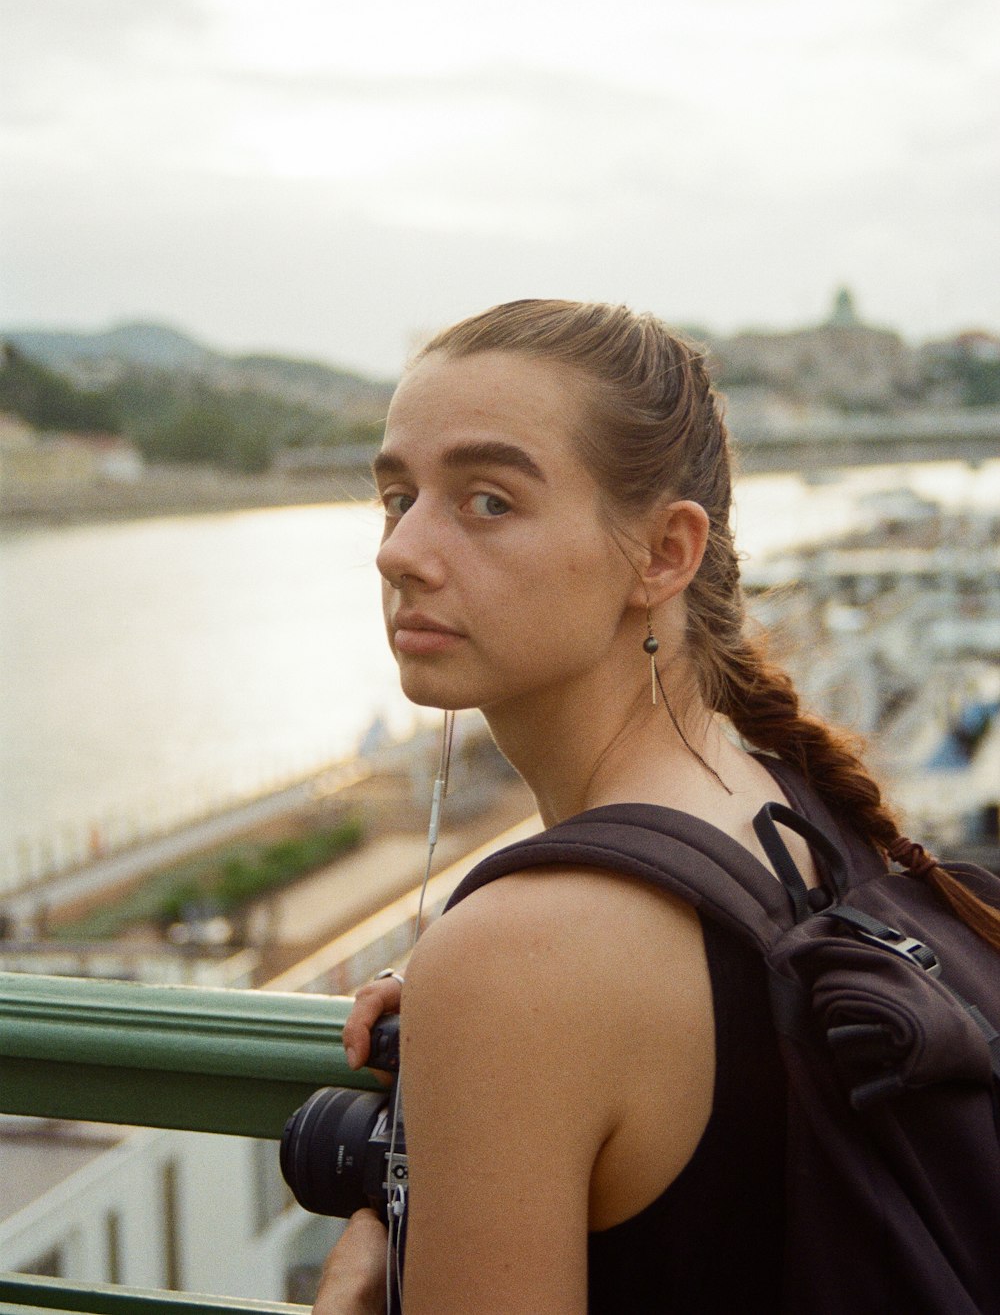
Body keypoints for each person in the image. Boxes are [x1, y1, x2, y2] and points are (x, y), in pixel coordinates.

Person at [311, 298, 1000, 1315]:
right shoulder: (778, 797)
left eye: (487, 499)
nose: (400, 549)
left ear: (665, 554)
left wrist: (350, 1299)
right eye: (396, 495)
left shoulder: (527, 958)